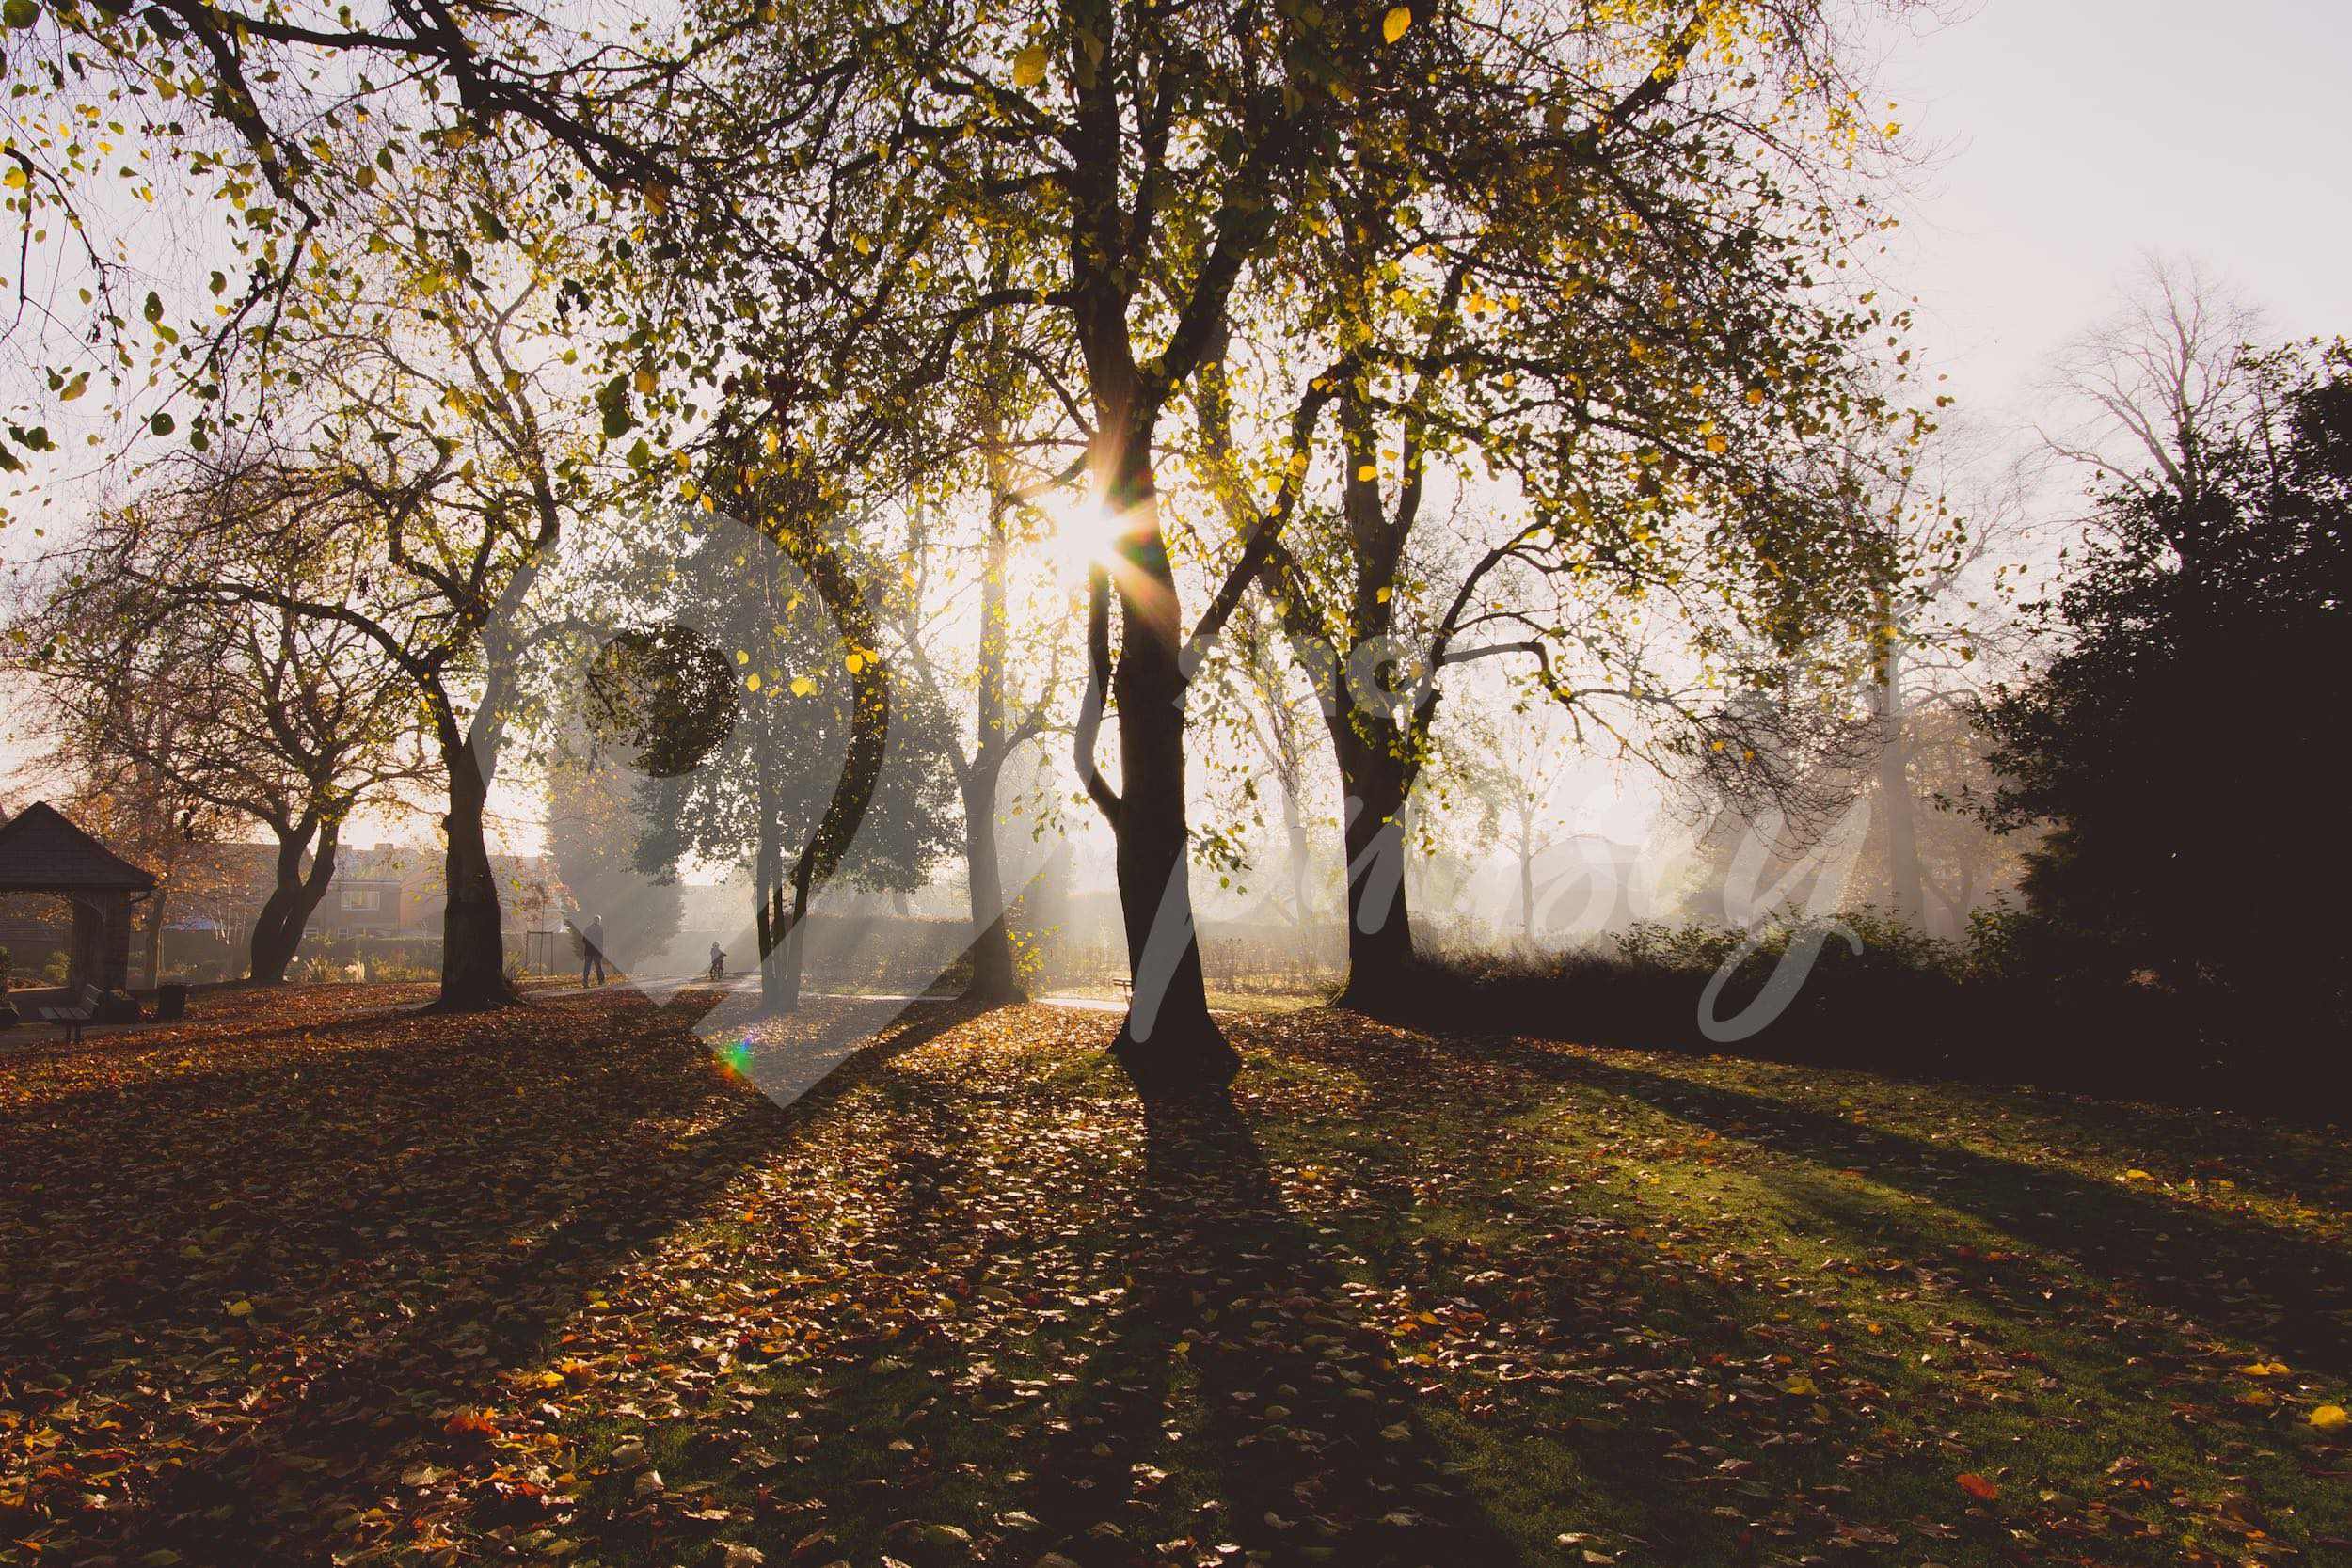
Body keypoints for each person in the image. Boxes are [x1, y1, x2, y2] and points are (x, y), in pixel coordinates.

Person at [580, 912, 607, 988]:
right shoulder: (600, 929)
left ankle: (585, 982)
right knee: (598, 967)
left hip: (588, 951)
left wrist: (588, 945)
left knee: (587, 967)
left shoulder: (588, 929)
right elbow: (601, 941)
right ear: (599, 921)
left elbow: (583, 940)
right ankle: (601, 981)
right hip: (596, 951)